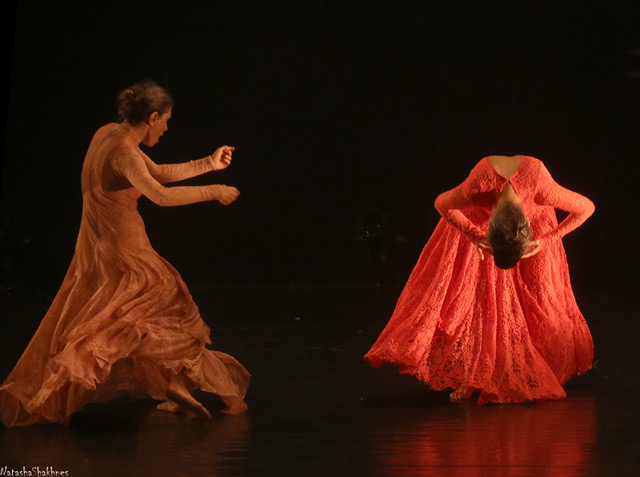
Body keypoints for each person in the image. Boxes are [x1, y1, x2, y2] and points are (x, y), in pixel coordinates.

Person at [0, 80, 250, 427]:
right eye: (165, 121)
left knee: (134, 320)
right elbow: (160, 195)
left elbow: (156, 172)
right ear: (152, 117)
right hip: (126, 249)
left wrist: (209, 162)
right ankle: (176, 384)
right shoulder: (124, 154)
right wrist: (215, 191)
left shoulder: (107, 134)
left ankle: (175, 387)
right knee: (175, 309)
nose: (165, 129)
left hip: (98, 247)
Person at [365, 154, 594, 404]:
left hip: (536, 230)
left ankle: (536, 367)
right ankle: (474, 376)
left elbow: (586, 208)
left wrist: (547, 240)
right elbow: (442, 204)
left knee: (539, 299)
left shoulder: (541, 187)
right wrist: (475, 235)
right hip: (479, 228)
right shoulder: (477, 189)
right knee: (481, 301)